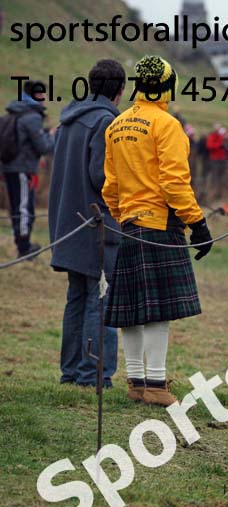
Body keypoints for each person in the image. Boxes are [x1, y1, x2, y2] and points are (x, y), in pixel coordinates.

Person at [102, 55, 213, 407]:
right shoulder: (166, 124)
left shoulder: (116, 126)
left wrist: (123, 215)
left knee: (131, 310)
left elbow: (110, 186)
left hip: (129, 225)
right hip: (160, 223)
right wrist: (197, 223)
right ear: (167, 86)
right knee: (157, 311)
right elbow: (174, 182)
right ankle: (156, 385)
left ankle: (135, 383)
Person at [48, 59, 125, 388]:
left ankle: (71, 374)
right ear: (120, 91)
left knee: (77, 298)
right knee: (102, 299)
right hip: (97, 224)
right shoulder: (107, 122)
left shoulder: (68, 119)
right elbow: (102, 176)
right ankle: (93, 377)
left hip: (69, 222)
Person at [3, 79, 55, 258]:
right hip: (22, 169)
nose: (44, 97)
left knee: (18, 207)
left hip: (12, 167)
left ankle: (22, 242)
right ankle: (24, 247)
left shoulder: (16, 111)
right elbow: (44, 147)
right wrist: (52, 136)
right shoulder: (31, 116)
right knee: (24, 208)